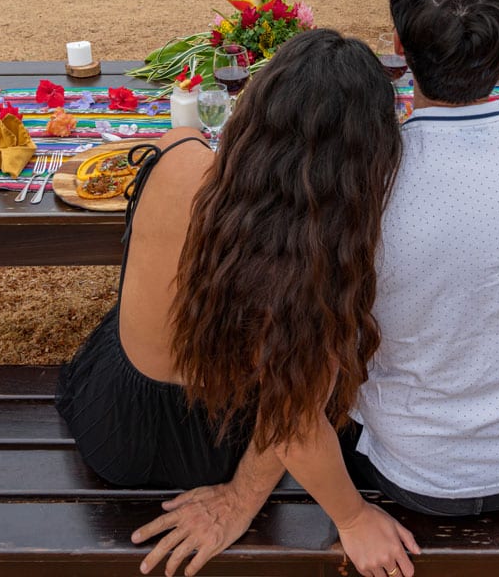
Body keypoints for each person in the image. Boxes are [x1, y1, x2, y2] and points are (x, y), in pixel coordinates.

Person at [138, 0, 499, 566]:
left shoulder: (361, 183)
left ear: (400, 47)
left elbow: (295, 397)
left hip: (407, 473)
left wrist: (352, 516)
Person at [57, 28, 420, 577]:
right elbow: (296, 423)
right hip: (209, 440)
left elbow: (169, 144)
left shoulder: (181, 156)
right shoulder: (315, 256)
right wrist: (348, 518)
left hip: (113, 408)